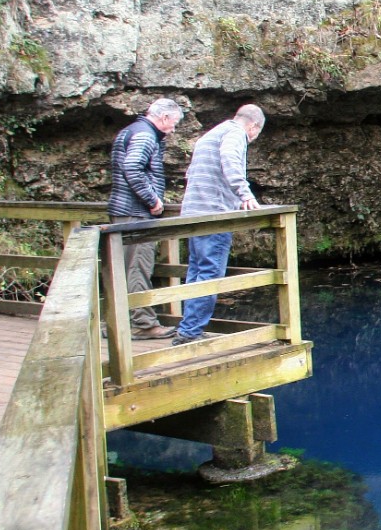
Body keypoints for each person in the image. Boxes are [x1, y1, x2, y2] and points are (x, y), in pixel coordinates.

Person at [172, 103, 265, 346]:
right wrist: (245, 194)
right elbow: (230, 161)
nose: (253, 138)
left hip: (194, 214)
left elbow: (191, 173)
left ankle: (187, 327)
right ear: (254, 126)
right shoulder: (235, 134)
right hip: (214, 214)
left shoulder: (211, 134)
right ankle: (191, 331)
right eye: (256, 133)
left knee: (196, 271)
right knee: (210, 272)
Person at [108, 98, 184, 340]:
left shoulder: (129, 131)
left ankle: (116, 322)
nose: (173, 129)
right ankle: (144, 324)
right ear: (163, 118)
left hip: (123, 211)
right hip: (135, 213)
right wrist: (152, 200)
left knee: (120, 269)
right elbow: (132, 167)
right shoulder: (145, 135)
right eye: (174, 123)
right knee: (138, 267)